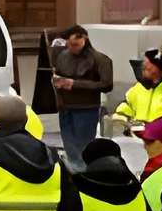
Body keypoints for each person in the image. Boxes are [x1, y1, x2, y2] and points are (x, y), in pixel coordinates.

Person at [46, 26, 115, 156]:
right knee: (69, 145)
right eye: (69, 45)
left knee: (84, 147)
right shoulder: (63, 56)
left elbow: (107, 85)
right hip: (65, 108)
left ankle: (82, 171)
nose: (72, 48)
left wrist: (75, 84)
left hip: (86, 109)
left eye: (75, 45)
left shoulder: (100, 59)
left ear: (84, 39)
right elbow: (58, 74)